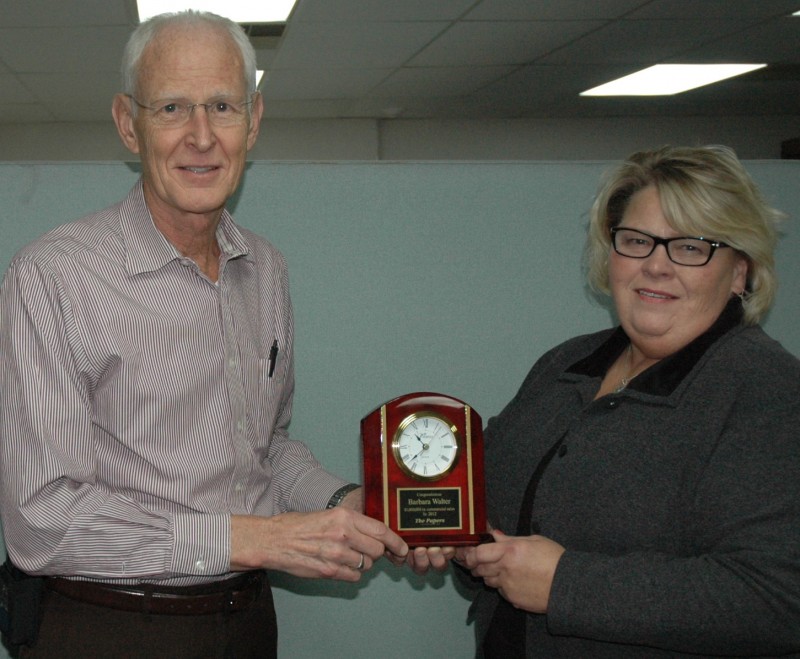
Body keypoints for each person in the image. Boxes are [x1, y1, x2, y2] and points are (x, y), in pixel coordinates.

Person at [0, 10, 406, 658]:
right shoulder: (52, 276)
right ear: (129, 123)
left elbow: (266, 448)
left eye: (222, 105)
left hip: (246, 622)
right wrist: (244, 539)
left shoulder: (265, 269)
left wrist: (351, 501)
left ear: (254, 120)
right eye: (171, 108)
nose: (201, 136)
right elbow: (42, 519)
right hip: (108, 628)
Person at [455, 146, 800, 657]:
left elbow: (779, 599)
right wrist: (462, 541)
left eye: (689, 247)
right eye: (637, 241)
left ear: (739, 273)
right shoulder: (566, 365)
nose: (656, 266)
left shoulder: (766, 391)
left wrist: (566, 585)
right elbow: (498, 507)